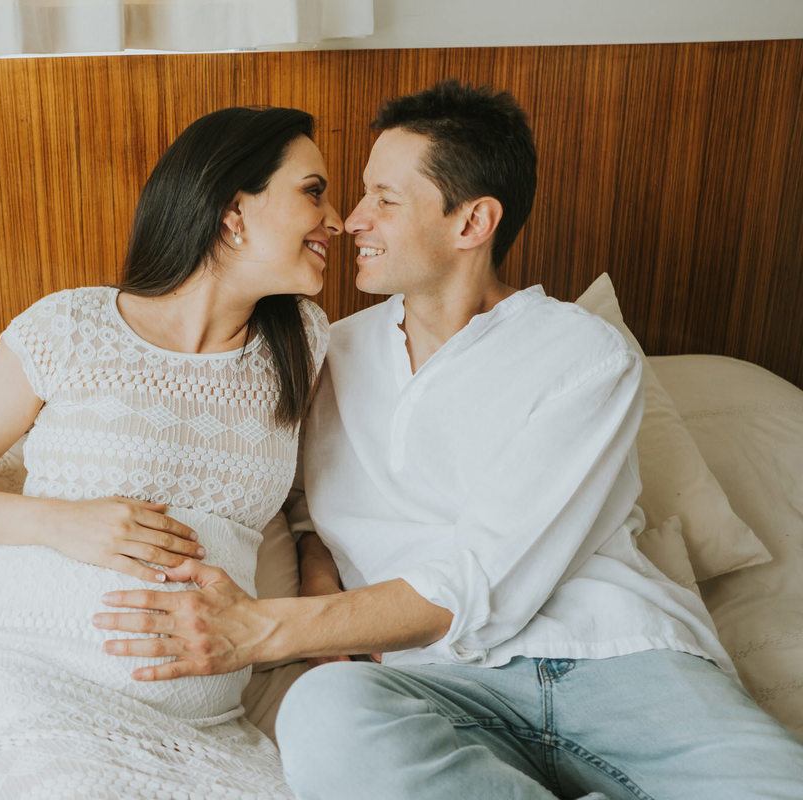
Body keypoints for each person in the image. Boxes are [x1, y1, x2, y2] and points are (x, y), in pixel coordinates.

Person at [92, 80, 803, 798]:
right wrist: (325, 611)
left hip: (616, 661)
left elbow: (484, 578)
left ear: (472, 224)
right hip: (430, 687)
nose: (350, 220)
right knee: (324, 710)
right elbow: (294, 504)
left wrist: (267, 628)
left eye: (384, 200)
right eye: (358, 194)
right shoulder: (324, 353)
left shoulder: (583, 355)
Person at [0, 105, 341, 799]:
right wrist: (59, 521)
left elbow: (308, 499)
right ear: (233, 211)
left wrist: (319, 595)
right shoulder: (69, 327)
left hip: (206, 723)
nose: (337, 219)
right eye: (313, 192)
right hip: (26, 678)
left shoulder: (304, 345)